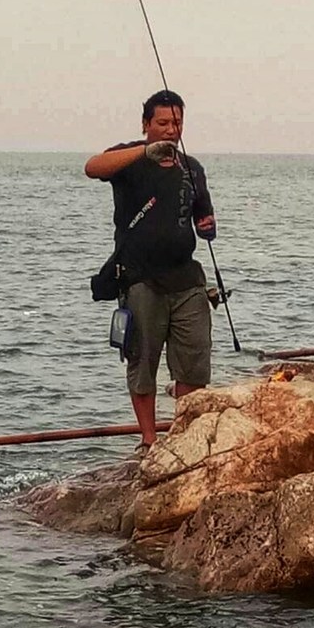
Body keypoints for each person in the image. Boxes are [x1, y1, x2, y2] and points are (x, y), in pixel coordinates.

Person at [85, 90, 216, 449]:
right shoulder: (129, 158)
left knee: (193, 359)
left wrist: (207, 225)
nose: (171, 130)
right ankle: (148, 439)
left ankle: (182, 435)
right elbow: (92, 167)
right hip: (140, 277)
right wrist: (145, 151)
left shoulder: (193, 168)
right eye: (163, 123)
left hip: (187, 278)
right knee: (142, 360)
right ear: (146, 124)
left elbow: (203, 213)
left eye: (177, 123)